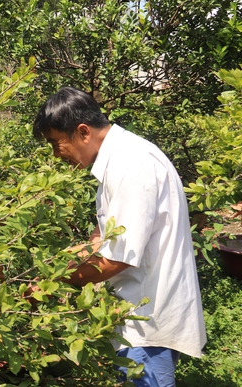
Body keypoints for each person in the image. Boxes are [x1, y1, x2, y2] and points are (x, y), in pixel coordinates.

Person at [32, 86, 206, 387]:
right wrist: (52, 265)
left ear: (83, 132)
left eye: (55, 144)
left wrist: (53, 281)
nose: (56, 155)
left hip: (149, 318)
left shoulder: (131, 165)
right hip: (139, 310)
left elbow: (115, 260)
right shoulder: (119, 158)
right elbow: (104, 236)